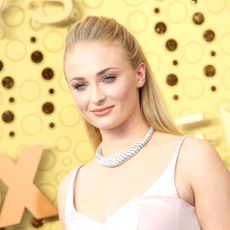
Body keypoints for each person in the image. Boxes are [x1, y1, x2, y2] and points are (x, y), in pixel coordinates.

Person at [58, 15, 230, 230]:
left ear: (139, 75)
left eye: (108, 78)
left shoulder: (193, 158)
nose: (96, 97)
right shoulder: (69, 188)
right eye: (80, 85)